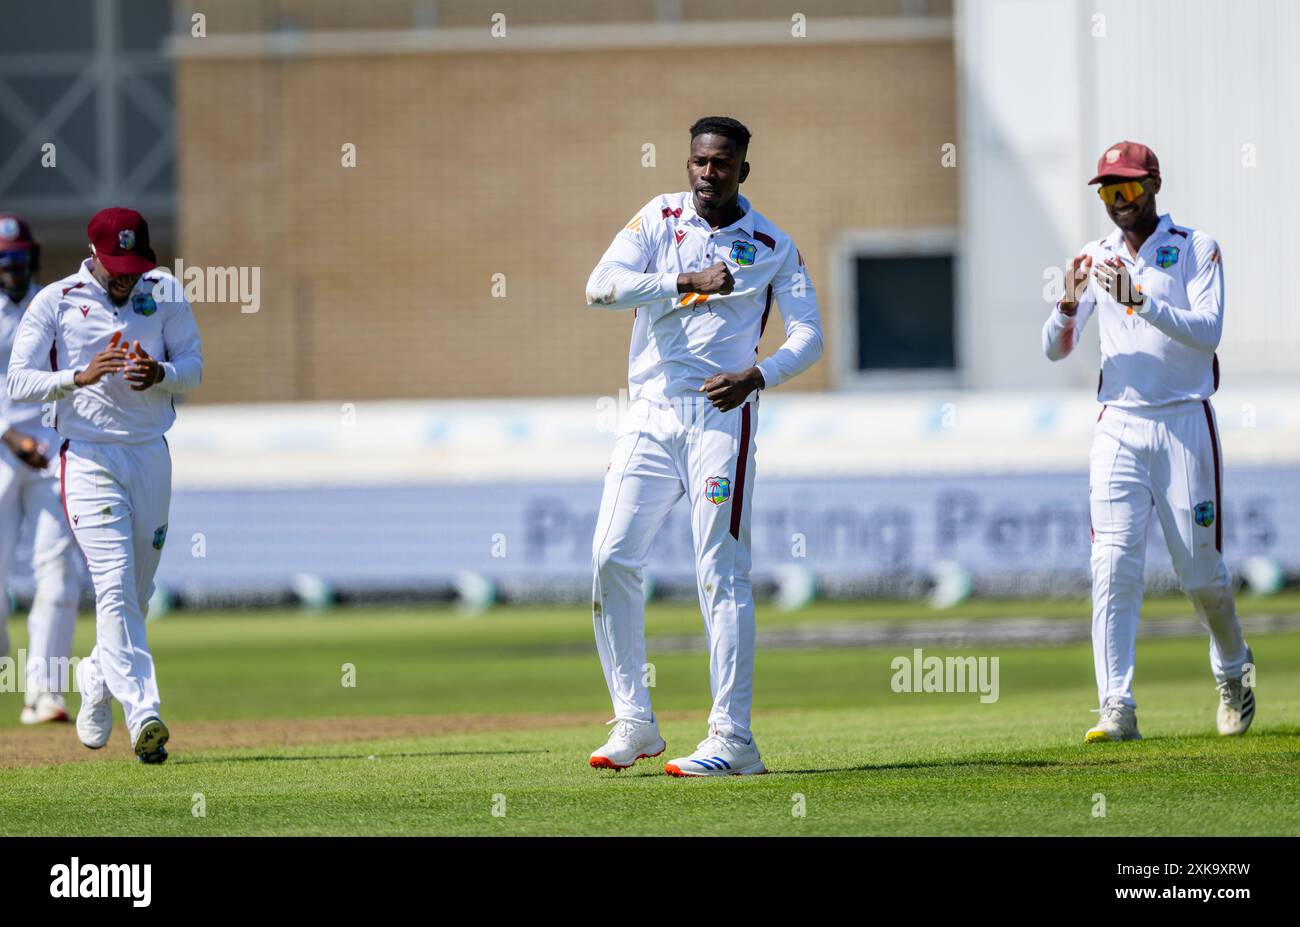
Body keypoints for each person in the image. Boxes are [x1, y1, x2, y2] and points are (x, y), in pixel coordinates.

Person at [584, 116, 823, 776]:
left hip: (723, 416)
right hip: (649, 416)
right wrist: (682, 280)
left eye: (721, 164)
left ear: (743, 169)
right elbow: (599, 287)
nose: (707, 174)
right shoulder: (658, 218)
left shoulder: (772, 243)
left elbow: (809, 337)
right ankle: (634, 719)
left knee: (720, 571)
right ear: (687, 163)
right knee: (610, 556)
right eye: (698, 162)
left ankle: (732, 737)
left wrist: (757, 374)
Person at [1042, 141, 1253, 742]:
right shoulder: (1094, 255)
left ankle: (1234, 670)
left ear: (1154, 185)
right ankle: (1116, 705)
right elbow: (1054, 349)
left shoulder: (1194, 247)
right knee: (1112, 566)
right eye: (1109, 192)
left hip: (1185, 420)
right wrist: (1068, 300)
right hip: (1119, 424)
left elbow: (1206, 332)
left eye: (1129, 189)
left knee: (1200, 575)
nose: (1119, 202)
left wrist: (1139, 298)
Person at [7, 207, 203, 763]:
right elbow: (18, 381)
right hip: (88, 458)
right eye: (116, 265)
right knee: (113, 587)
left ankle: (95, 674)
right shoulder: (57, 300)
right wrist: (80, 375)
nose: (125, 276)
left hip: (150, 455)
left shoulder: (162, 291)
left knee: (136, 596)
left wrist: (160, 373)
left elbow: (194, 364)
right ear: (93, 254)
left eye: (133, 264)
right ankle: (145, 714)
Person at [0, 214, 81, 724]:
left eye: (18, 257)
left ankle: (44, 692)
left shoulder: (55, 304)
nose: (11, 267)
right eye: (3, 260)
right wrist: (9, 435)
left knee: (58, 573)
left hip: (50, 453)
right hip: (1, 450)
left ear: (32, 255)